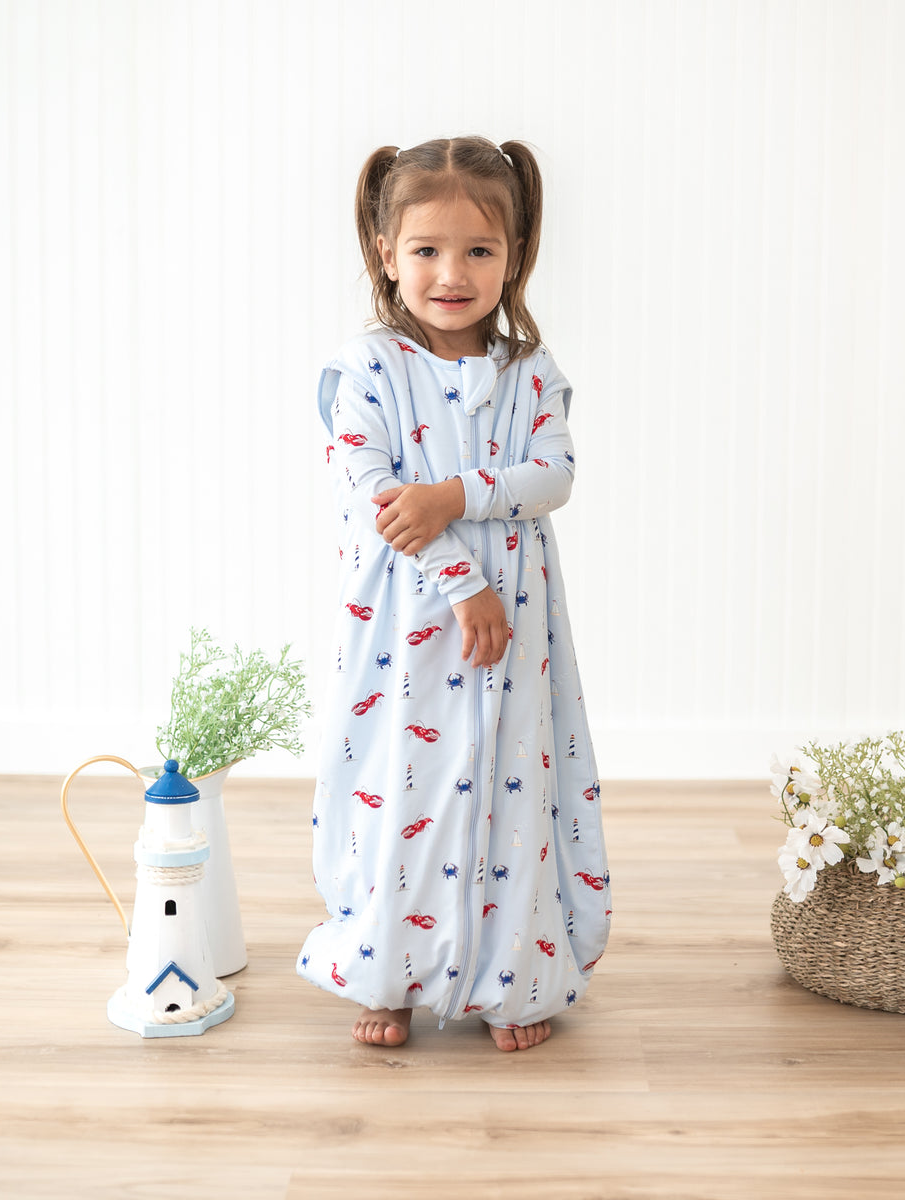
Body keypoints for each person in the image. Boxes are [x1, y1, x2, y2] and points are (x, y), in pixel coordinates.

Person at [297, 137, 609, 1052]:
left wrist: (457, 495)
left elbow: (550, 477)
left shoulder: (532, 375)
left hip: (518, 636)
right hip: (409, 625)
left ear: (514, 256)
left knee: (514, 787)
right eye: (427, 249)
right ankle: (387, 972)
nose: (451, 272)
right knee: (403, 783)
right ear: (387, 255)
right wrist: (465, 580)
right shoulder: (364, 371)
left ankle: (513, 978)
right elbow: (376, 494)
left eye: (478, 250)